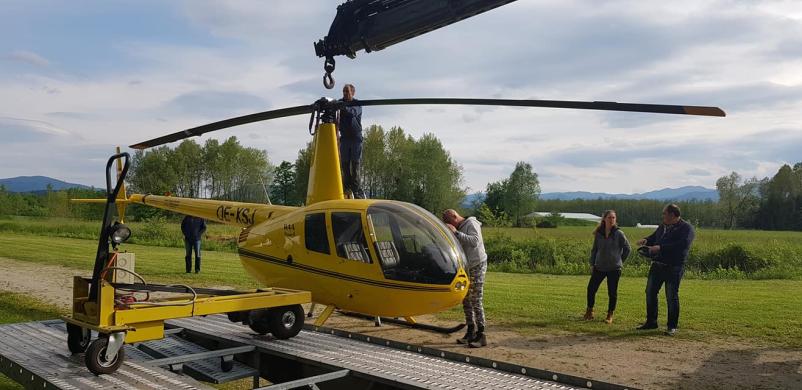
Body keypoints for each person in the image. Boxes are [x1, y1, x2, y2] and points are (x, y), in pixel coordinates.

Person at [635, 204, 695, 336]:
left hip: (674, 267)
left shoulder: (687, 228)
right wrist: (646, 240)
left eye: (664, 213)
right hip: (657, 265)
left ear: (672, 215)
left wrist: (660, 248)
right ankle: (651, 322)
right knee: (650, 292)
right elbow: (654, 237)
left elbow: (682, 245)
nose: (663, 216)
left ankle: (672, 326)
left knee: (671, 296)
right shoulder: (662, 226)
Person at [443, 209, 488, 348]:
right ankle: (470, 330)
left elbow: (474, 241)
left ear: (455, 216)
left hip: (477, 265)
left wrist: (455, 233)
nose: (450, 225)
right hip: (467, 267)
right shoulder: (460, 227)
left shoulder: (472, 223)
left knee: (475, 299)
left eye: (449, 222)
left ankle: (481, 335)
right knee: (466, 299)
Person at [584, 210, 631, 324]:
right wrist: (592, 263)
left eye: (613, 218)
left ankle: (610, 314)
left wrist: (620, 261)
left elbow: (628, 249)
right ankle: (590, 311)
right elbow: (594, 250)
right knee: (591, 289)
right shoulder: (599, 233)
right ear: (604, 219)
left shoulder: (619, 233)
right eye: (609, 217)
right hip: (599, 266)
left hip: (614, 269)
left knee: (612, 292)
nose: (612, 220)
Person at [337, 83, 365, 199]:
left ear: (352, 93)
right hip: (344, 139)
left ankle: (357, 191)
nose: (345, 94)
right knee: (344, 165)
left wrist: (343, 107)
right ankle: (347, 188)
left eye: (347, 92)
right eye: (344, 91)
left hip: (356, 139)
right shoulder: (340, 103)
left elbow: (352, 113)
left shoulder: (357, 104)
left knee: (355, 166)